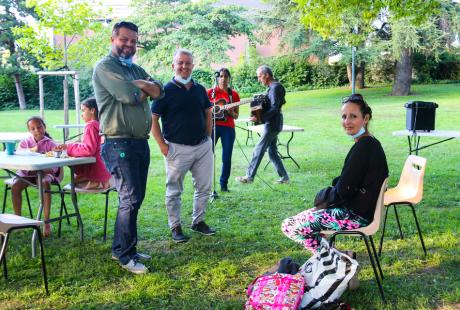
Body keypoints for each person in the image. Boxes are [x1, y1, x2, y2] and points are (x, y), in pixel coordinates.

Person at [92, 21, 164, 274]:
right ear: (113, 39)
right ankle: (124, 255)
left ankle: (125, 247)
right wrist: (142, 87)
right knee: (130, 198)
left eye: (133, 41)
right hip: (118, 141)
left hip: (138, 142)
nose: (129, 45)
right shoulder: (105, 67)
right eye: (124, 39)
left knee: (135, 198)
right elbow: (128, 97)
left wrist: (141, 85)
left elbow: (160, 90)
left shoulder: (134, 68)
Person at [281, 94, 388, 253]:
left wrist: (323, 201)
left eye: (353, 116)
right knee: (293, 222)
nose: (347, 121)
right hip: (357, 210)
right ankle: (334, 258)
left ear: (365, 118)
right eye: (344, 116)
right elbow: (349, 182)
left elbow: (344, 190)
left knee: (290, 226)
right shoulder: (369, 143)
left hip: (356, 217)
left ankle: (334, 259)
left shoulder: (364, 147)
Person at [151, 48, 216, 243]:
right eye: (180, 63)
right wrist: (162, 145)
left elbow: (207, 112)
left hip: (202, 147)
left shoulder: (199, 89)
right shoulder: (165, 91)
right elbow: (153, 119)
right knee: (174, 190)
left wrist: (208, 138)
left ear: (193, 66)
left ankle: (198, 221)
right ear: (173, 65)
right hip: (176, 149)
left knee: (204, 187)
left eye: (187, 63)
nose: (184, 66)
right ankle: (175, 226)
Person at [236, 65, 289, 184]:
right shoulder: (273, 87)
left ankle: (249, 177)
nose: (259, 79)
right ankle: (285, 178)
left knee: (259, 149)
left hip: (273, 124)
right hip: (273, 122)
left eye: (260, 76)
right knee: (272, 151)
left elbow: (275, 108)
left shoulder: (275, 87)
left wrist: (260, 118)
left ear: (267, 75)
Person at [12, 117, 61, 237]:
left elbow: (56, 166)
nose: (37, 130)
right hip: (27, 173)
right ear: (29, 130)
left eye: (39, 127)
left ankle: (46, 221)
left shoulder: (51, 144)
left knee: (45, 183)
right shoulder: (24, 143)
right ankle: (18, 220)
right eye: (33, 128)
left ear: (44, 127)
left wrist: (47, 166)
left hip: (45, 173)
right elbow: (19, 160)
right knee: (15, 186)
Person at [55, 98, 111, 190]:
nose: (82, 115)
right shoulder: (100, 124)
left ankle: (91, 180)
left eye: (83, 110)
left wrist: (69, 148)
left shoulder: (91, 125)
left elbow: (88, 149)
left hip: (95, 171)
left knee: (68, 183)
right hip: (105, 168)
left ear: (92, 110)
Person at [207, 68, 240, 192]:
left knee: (226, 157)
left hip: (228, 128)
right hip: (212, 127)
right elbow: (203, 108)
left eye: (226, 76)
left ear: (229, 79)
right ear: (217, 78)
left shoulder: (234, 94)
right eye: (221, 76)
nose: (223, 79)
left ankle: (223, 184)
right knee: (208, 156)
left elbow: (236, 115)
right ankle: (207, 184)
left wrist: (231, 112)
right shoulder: (210, 92)